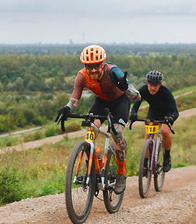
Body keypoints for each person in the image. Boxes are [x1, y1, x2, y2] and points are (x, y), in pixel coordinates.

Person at [56, 45, 141, 194]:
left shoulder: (113, 72)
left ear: (102, 64)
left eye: (96, 66)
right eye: (90, 67)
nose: (93, 70)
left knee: (116, 133)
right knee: (90, 133)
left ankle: (121, 172)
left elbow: (137, 96)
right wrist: (67, 109)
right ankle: (94, 170)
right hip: (101, 102)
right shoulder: (81, 76)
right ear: (85, 66)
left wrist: (126, 88)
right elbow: (74, 100)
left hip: (120, 101)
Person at [129, 70, 178, 173]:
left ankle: (167, 157)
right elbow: (136, 105)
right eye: (150, 84)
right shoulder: (143, 90)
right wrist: (133, 114)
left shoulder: (166, 92)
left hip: (167, 114)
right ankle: (145, 165)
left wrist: (170, 118)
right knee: (148, 136)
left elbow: (175, 111)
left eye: (155, 85)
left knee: (164, 131)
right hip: (154, 113)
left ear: (160, 84)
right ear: (147, 83)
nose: (152, 87)